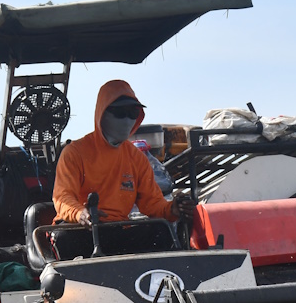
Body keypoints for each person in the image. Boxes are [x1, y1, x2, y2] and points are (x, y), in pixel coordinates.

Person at [53, 80, 194, 225]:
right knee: (68, 241)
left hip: (118, 227)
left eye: (132, 113)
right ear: (102, 112)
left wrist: (172, 209)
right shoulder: (75, 152)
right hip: (77, 227)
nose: (127, 119)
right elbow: (62, 197)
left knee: (161, 234)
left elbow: (153, 204)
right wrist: (81, 213)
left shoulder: (137, 158)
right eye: (120, 112)